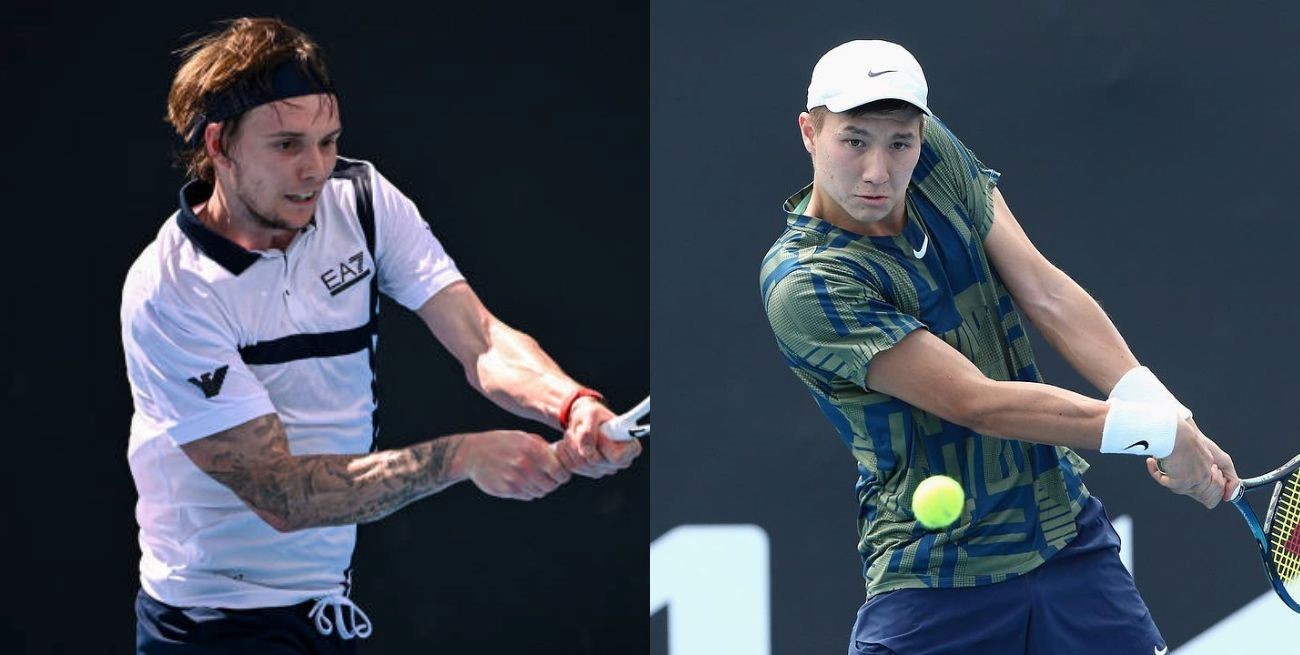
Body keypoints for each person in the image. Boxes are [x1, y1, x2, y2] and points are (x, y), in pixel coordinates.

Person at [121, 17, 640, 653]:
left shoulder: (362, 203)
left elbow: (480, 339)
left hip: (324, 607)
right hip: (208, 625)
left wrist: (572, 406)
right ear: (220, 146)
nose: (314, 169)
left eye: (327, 141)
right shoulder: (170, 290)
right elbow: (283, 495)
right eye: (286, 145)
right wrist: (462, 457)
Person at [760, 40, 1238, 654]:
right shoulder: (808, 283)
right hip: (937, 575)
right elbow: (978, 403)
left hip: (1066, 542)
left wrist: (1172, 415)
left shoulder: (932, 156)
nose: (878, 170)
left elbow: (1046, 291)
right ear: (810, 132)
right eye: (854, 141)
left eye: (900, 143)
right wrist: (1158, 433)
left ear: (921, 135)